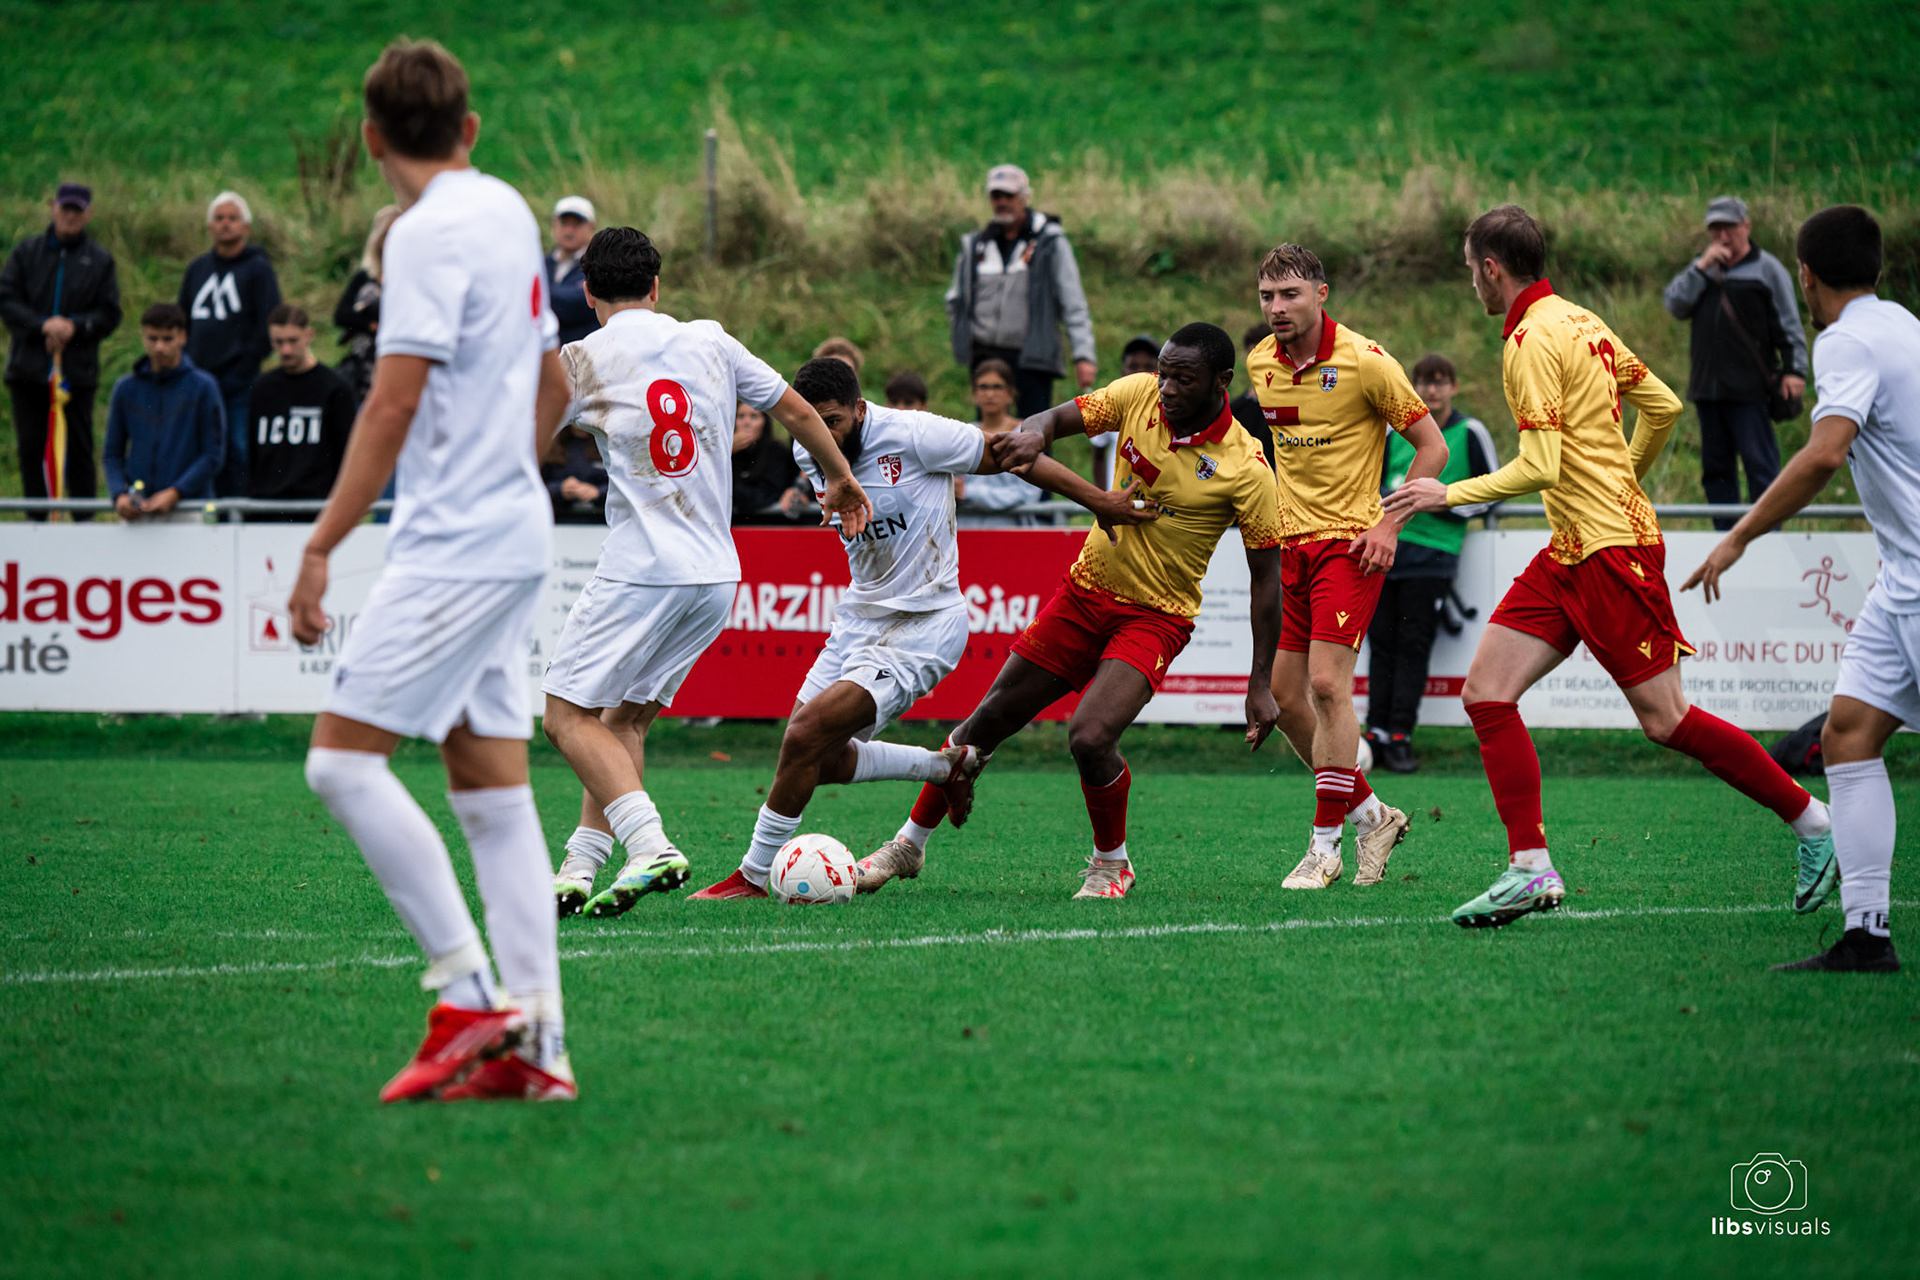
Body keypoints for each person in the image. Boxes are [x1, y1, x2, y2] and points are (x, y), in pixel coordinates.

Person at [1385, 203, 1834, 930]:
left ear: (1491, 270)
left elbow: (1541, 464)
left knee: (1667, 720)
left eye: (1472, 272)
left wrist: (1448, 494)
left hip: (1611, 554)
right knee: (1487, 691)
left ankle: (1813, 821)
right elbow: (1658, 406)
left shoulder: (1530, 338)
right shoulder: (1582, 319)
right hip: (1573, 549)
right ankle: (1530, 868)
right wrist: (1622, 477)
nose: (1473, 284)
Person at [287, 39, 576, 1103]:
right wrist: (516, 473)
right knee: (490, 792)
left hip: (453, 544)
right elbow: (555, 374)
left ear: (370, 140)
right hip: (513, 533)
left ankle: (465, 994)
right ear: (471, 129)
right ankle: (539, 1051)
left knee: (342, 765)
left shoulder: (416, 236)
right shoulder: (505, 207)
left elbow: (393, 400)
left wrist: (319, 545)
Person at [690, 356, 1155, 899]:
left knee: (804, 734)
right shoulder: (806, 447)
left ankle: (750, 877)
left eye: (834, 422)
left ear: (860, 410)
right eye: (812, 425)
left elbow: (1013, 454)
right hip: (859, 619)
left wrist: (1099, 501)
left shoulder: (916, 435)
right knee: (816, 760)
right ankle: (945, 767)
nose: (824, 437)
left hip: (925, 624)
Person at [860, 325, 1285, 901]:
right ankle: (908, 845)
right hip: (1084, 593)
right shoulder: (1137, 394)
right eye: (1164, 372)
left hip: (1155, 616)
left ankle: (1112, 865)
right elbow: (1050, 421)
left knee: (1089, 735)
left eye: (1183, 378)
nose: (1167, 388)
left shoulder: (1248, 468)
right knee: (981, 726)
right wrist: (1033, 434)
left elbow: (1266, 583)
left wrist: (1259, 682)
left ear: (1222, 383)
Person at [540, 228, 872, 919]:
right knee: (623, 719)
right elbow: (796, 409)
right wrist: (839, 479)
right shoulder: (712, 341)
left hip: (644, 568)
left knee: (565, 716)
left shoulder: (579, 359)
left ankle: (649, 844)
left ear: (588, 293)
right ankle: (580, 865)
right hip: (717, 573)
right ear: (658, 288)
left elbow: (519, 440)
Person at [1683, 205, 1912, 973]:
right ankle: (1867, 936)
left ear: (1805, 276)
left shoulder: (1846, 340)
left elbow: (1822, 455)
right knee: (1847, 735)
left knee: (1849, 739)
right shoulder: (1904, 326)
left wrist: (1740, 535)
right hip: (1901, 579)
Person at [1248, 244, 1449, 891]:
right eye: (1268, 297)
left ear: (1321, 294)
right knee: (1285, 697)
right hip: (1293, 548)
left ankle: (1324, 846)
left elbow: (1432, 448)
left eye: (1290, 295)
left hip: (1350, 545)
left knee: (1330, 686)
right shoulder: (1259, 364)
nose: (1278, 308)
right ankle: (1372, 814)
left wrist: (1390, 523)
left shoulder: (1366, 362)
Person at [1365, 353, 1498, 772]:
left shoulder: (1469, 430)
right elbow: (1370, 486)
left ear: (1454, 387)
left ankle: (1401, 735)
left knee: (1413, 647)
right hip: (1385, 550)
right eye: (1423, 382)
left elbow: (1491, 490)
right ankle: (1376, 734)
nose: (1431, 390)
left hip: (1435, 554)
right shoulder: (1393, 433)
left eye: (1440, 381)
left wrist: (1446, 502)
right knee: (1380, 644)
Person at [1662, 195, 1808, 530]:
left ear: (1746, 226)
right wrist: (1700, 269)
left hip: (1750, 391)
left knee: (1762, 468)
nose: (1722, 237)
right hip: (1708, 390)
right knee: (1716, 471)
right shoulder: (1701, 268)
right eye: (1715, 230)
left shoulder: (1767, 269)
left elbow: (1789, 323)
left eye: (1728, 228)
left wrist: (1794, 371)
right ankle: (1724, 536)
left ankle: (1768, 536)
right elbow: (1674, 304)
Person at [2, 182, 122, 519]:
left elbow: (109, 314)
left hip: (76, 374)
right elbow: (7, 300)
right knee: (32, 448)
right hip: (28, 371)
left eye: (77, 210)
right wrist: (42, 325)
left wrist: (74, 326)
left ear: (88, 214)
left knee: (80, 450)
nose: (70, 216)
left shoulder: (99, 260)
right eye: (65, 208)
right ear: (53, 207)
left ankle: (83, 521)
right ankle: (37, 521)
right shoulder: (27, 253)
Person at [945, 164, 1097, 418]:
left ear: (1024, 197)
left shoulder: (1050, 242)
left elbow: (1073, 302)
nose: (1002, 202)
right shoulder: (976, 244)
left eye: (1009, 195)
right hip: (985, 355)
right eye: (996, 196)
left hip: (1033, 357)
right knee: (987, 436)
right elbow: (955, 299)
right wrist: (964, 335)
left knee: (1036, 433)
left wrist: (1083, 355)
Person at [178, 191, 282, 497]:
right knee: (199, 449)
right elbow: (182, 319)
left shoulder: (258, 270)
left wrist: (243, 367)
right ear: (210, 227)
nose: (225, 225)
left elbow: (267, 323)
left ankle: (241, 514)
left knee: (238, 447)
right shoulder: (197, 270)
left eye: (232, 218)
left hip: (239, 381)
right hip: (197, 378)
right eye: (219, 218)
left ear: (246, 228)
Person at [102, 303, 224, 521]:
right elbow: (112, 453)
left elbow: (213, 454)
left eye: (167, 339)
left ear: (182, 337)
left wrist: (176, 491)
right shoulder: (126, 388)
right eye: (152, 338)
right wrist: (118, 493)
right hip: (137, 509)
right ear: (143, 337)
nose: (159, 347)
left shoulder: (203, 387)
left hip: (186, 508)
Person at [244, 303, 355, 519]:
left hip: (315, 510)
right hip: (266, 510)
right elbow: (253, 455)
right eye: (278, 342)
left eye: (293, 341)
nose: (285, 350)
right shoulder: (262, 388)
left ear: (309, 335)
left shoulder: (334, 388)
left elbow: (347, 455)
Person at [956, 358, 1043, 526]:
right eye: (983, 387)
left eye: (997, 387)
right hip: (966, 532)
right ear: (974, 394)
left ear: (1010, 394)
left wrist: (969, 493)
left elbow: (1028, 493)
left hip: (1010, 533)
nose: (990, 394)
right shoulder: (965, 433)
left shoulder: (1026, 435)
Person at [332, 205, 399, 405]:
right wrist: (371, 325)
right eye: (387, 234)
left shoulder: (413, 279)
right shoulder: (365, 277)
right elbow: (341, 315)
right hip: (363, 367)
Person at [1087, 334, 1160, 488]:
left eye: (1148, 367)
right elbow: (1098, 456)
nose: (1140, 373)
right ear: (1122, 370)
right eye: (1133, 366)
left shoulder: (1170, 408)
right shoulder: (1110, 405)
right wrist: (1103, 499)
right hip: (1118, 502)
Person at [731, 401, 806, 525]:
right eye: (741, 416)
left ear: (765, 422)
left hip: (769, 525)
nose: (746, 422)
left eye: (754, 416)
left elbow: (767, 495)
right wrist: (728, 452)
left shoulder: (777, 452)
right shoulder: (726, 453)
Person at [546, 195, 599, 347]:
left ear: (591, 228)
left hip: (583, 355)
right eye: (564, 223)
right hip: (548, 357)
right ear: (554, 225)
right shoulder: (543, 263)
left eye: (576, 224)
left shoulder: (598, 265)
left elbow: (577, 304)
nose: (569, 230)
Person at [1228, 322, 1276, 466]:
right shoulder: (1235, 409)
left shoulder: (1286, 407)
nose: (1256, 360)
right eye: (1251, 353)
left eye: (1262, 352)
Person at [543, 425, 607, 524]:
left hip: (600, 521)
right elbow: (536, 486)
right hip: (560, 522)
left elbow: (623, 486)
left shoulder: (607, 447)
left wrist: (598, 492)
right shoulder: (551, 447)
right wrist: (560, 489)